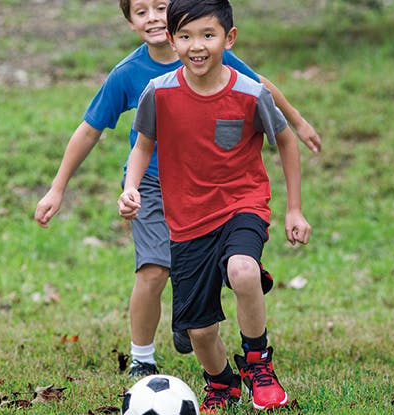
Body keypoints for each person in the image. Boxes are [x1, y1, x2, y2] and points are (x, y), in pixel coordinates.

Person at [33, 0, 321, 378]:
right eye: (140, 11)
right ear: (131, 21)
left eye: (160, 7)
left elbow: (261, 89)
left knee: (225, 264)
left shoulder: (208, 52)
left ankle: (206, 304)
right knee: (153, 269)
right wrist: (58, 188)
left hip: (212, 185)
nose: (151, 17)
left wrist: (297, 123)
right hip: (151, 185)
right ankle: (142, 356)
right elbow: (90, 128)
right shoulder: (132, 75)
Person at [118, 0, 311, 410]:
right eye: (185, 37)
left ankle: (259, 363)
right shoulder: (159, 92)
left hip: (243, 204)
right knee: (199, 333)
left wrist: (294, 209)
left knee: (243, 270)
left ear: (230, 38)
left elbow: (287, 141)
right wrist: (131, 187)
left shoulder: (250, 92)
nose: (197, 46)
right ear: (172, 40)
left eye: (208, 35)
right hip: (187, 222)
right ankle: (222, 381)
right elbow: (143, 145)